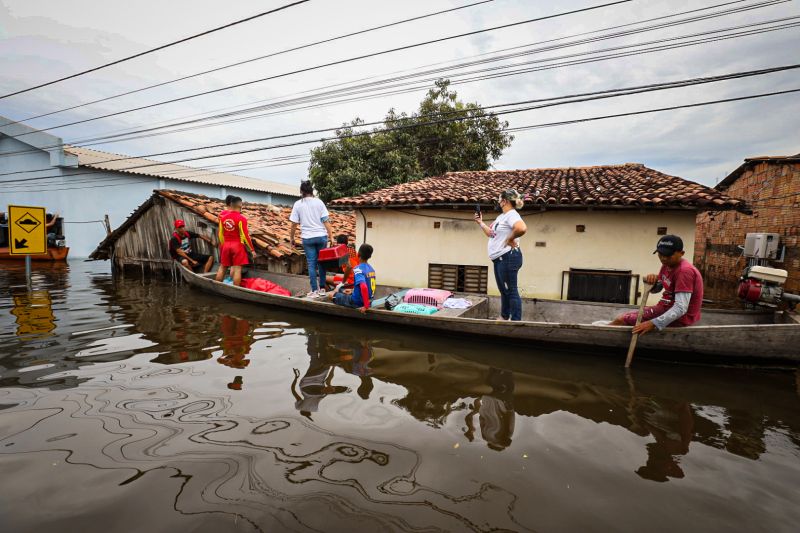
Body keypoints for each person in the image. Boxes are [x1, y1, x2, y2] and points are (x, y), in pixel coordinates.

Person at [610, 235, 704, 334]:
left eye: (668, 255)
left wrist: (654, 323)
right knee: (622, 317)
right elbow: (657, 289)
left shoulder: (684, 271)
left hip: (680, 318)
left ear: (681, 253)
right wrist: (653, 282)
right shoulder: (667, 264)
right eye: (660, 254)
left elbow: (681, 308)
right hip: (664, 308)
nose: (663, 258)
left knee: (621, 320)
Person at [474, 189, 528, 321]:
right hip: (500, 259)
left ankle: (515, 321)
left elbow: (521, 228)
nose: (498, 202)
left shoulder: (511, 214)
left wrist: (510, 239)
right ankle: (505, 316)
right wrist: (480, 223)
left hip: (508, 257)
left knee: (511, 290)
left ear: (504, 201)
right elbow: (491, 234)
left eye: (499, 199)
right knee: (504, 290)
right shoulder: (501, 217)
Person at [289, 180, 334, 297]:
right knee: (322, 263)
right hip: (321, 237)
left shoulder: (298, 204)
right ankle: (323, 289)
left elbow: (294, 224)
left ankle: (314, 290)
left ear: (301, 191)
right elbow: (326, 221)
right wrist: (332, 237)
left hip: (308, 238)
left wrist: (292, 238)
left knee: (311, 265)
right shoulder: (319, 202)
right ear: (311, 191)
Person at [215, 195, 255, 286]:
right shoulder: (242, 219)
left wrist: (223, 245)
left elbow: (220, 234)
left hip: (225, 245)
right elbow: (245, 236)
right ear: (240, 205)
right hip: (237, 246)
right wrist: (252, 250)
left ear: (231, 205)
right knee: (237, 269)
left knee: (222, 267)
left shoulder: (223, 218)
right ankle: (235, 290)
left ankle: (216, 287)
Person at [328, 244, 376, 314]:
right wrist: (353, 290)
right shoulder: (371, 269)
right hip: (368, 299)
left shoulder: (358, 269)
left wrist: (366, 306)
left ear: (358, 254)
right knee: (343, 291)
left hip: (357, 302)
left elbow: (364, 287)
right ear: (370, 256)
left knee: (330, 294)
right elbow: (368, 286)